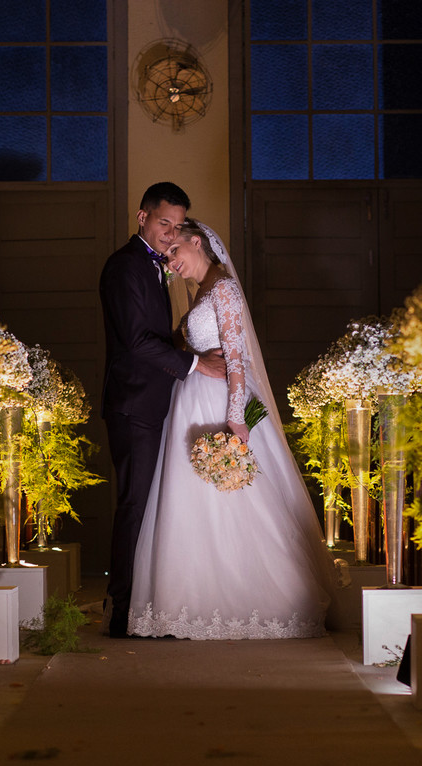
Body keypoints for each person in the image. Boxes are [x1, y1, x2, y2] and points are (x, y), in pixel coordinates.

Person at [128, 219, 336, 640]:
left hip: (220, 402)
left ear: (197, 242)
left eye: (174, 254)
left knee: (234, 497)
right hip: (191, 399)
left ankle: (261, 599)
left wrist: (237, 421)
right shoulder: (201, 290)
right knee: (189, 500)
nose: (170, 264)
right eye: (165, 258)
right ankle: (190, 599)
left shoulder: (223, 289)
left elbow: (237, 360)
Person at [99, 183, 225, 638]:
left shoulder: (159, 268)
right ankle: (121, 612)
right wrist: (195, 362)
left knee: (154, 505)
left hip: (159, 401)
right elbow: (134, 341)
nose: (169, 234)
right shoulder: (124, 267)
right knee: (135, 503)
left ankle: (148, 604)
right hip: (133, 404)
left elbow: (155, 333)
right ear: (142, 217)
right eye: (162, 223)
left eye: (176, 226)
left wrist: (185, 341)